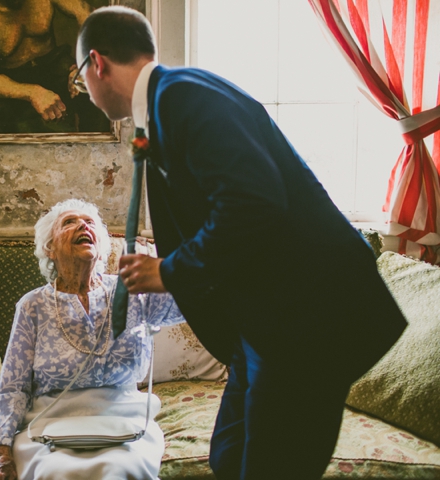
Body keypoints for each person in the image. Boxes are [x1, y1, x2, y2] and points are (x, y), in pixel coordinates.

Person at [73, 7, 407, 480]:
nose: (83, 89)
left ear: (97, 63)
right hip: (264, 324)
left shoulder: (184, 97)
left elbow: (252, 202)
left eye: (79, 76)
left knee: (273, 469)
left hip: (306, 324)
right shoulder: (170, 101)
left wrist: (168, 271)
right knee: (229, 458)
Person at [0, 198, 185, 480]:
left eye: (90, 223)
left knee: (121, 470)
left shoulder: (133, 290)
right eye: (70, 222)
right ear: (49, 248)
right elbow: (13, 388)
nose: (83, 226)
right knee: (55, 473)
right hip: (50, 427)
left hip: (124, 424)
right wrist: (1, 453)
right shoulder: (32, 306)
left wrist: (173, 268)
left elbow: (193, 303)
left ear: (101, 250)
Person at [0, 0, 109, 134]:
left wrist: (83, 66)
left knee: (95, 86)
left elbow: (89, 17)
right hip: (12, 80)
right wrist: (34, 93)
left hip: (56, 67)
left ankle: (96, 156)